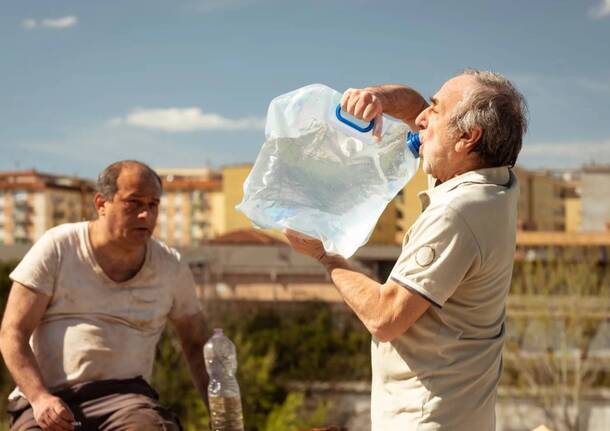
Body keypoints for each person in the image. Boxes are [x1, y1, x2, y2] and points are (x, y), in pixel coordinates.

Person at [285, 69, 528, 430]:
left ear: (468, 137)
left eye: (436, 111)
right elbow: (415, 107)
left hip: (426, 418)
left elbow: (385, 317)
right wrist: (378, 98)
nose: (421, 119)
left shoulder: (457, 214)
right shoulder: (493, 183)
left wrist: (326, 255)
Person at [0, 160, 209, 431]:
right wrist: (39, 397)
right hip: (48, 398)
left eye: (153, 205)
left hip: (126, 401)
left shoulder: (170, 265)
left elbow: (197, 345)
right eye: (134, 204)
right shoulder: (59, 246)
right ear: (101, 204)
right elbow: (12, 333)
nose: (146, 215)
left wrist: (225, 416)